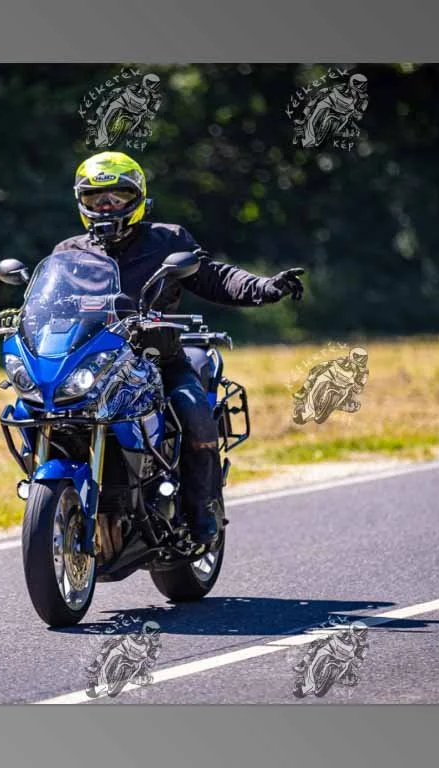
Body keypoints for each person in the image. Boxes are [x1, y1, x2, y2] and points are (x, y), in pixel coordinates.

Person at [49, 151, 306, 547]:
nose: (106, 206)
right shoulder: (69, 252)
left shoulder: (166, 240)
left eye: (117, 196)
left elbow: (214, 277)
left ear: (138, 198)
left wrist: (264, 287)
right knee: (36, 409)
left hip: (157, 361)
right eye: (95, 198)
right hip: (91, 366)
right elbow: (48, 302)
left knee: (193, 408)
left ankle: (203, 510)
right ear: (80, 201)